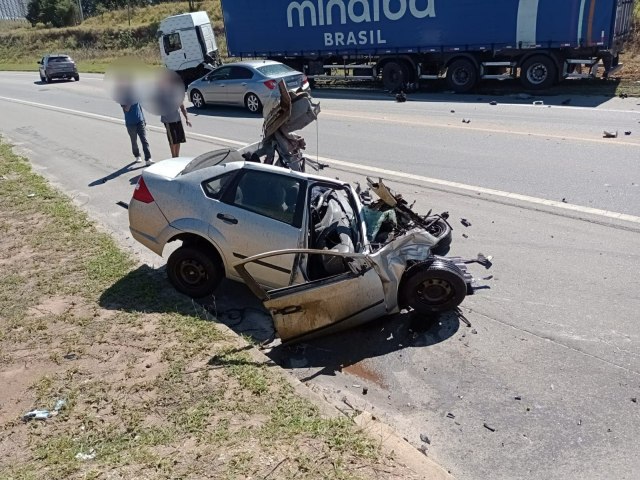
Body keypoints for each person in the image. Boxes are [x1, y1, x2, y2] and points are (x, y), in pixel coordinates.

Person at [121, 102, 153, 166]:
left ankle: (148, 158)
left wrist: (143, 119)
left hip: (140, 121)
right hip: (130, 124)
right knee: (134, 141)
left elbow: (139, 107)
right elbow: (126, 109)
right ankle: (137, 155)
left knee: (144, 140)